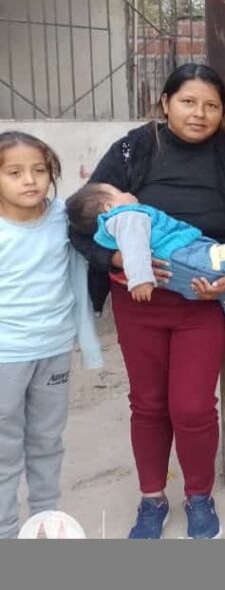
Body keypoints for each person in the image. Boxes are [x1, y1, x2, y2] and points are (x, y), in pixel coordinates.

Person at [70, 64, 225, 540]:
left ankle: (199, 496)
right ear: (165, 103)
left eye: (211, 106)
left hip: (202, 301)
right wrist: (116, 258)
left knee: (193, 406)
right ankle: (152, 498)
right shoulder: (133, 150)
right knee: (149, 404)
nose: (200, 113)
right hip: (139, 303)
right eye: (188, 102)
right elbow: (79, 224)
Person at [0, 133, 102, 540]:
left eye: (39, 170)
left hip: (55, 347)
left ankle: (43, 519)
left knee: (46, 438)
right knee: (4, 446)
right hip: (5, 354)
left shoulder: (64, 218)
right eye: (14, 173)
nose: (30, 180)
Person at [66, 183, 225, 346]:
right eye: (119, 192)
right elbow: (135, 247)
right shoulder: (126, 216)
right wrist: (140, 279)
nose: (128, 192)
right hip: (187, 256)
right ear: (109, 207)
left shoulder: (107, 234)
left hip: (174, 279)